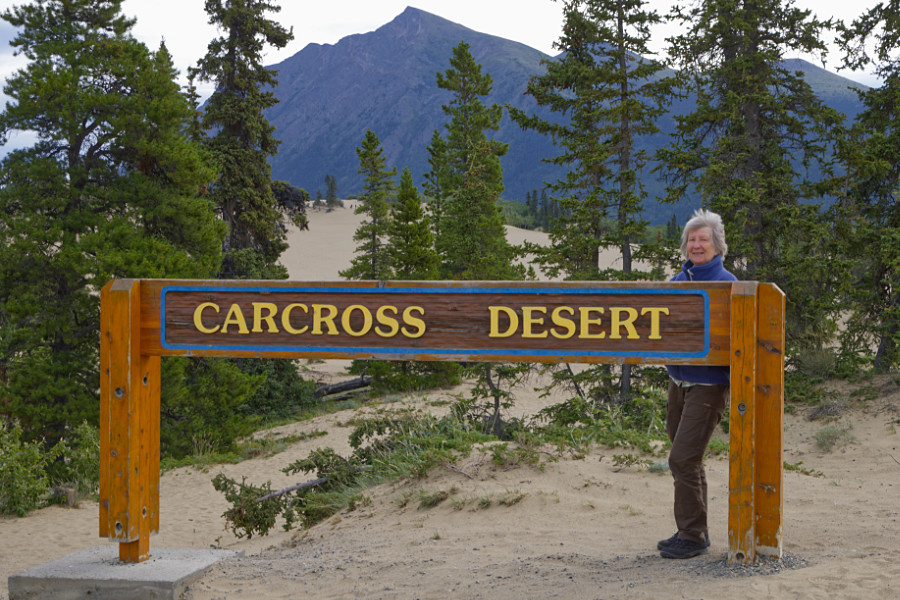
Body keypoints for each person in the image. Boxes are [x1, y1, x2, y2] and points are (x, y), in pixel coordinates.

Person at [658, 208, 736, 560]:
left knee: (682, 458)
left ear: (717, 245)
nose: (697, 245)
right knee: (688, 460)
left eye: (704, 239)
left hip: (708, 385)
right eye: (692, 239)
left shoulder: (728, 284)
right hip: (678, 381)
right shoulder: (677, 282)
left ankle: (691, 536)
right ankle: (694, 532)